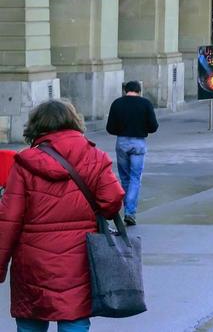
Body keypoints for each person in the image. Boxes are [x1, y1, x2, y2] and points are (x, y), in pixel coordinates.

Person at [0, 99, 126, 332]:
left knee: (31, 321)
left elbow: (8, 219)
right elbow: (112, 201)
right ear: (73, 121)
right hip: (78, 258)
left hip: (32, 262)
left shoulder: (24, 162)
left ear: (37, 126)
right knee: (74, 318)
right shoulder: (95, 156)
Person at [105, 79, 157, 226]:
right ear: (139, 90)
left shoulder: (117, 103)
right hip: (139, 143)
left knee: (125, 178)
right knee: (135, 177)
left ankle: (128, 208)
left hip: (121, 142)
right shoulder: (145, 103)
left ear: (125, 90)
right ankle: (130, 211)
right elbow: (153, 126)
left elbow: (110, 128)